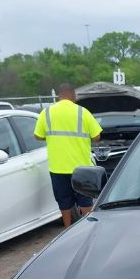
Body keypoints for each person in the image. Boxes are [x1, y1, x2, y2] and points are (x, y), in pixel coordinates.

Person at [34, 83, 102, 227]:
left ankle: (67, 228)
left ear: (59, 96)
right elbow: (97, 137)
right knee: (85, 200)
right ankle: (88, 228)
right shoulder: (82, 112)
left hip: (58, 167)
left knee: (64, 201)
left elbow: (38, 136)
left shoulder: (46, 113)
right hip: (81, 168)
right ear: (73, 95)